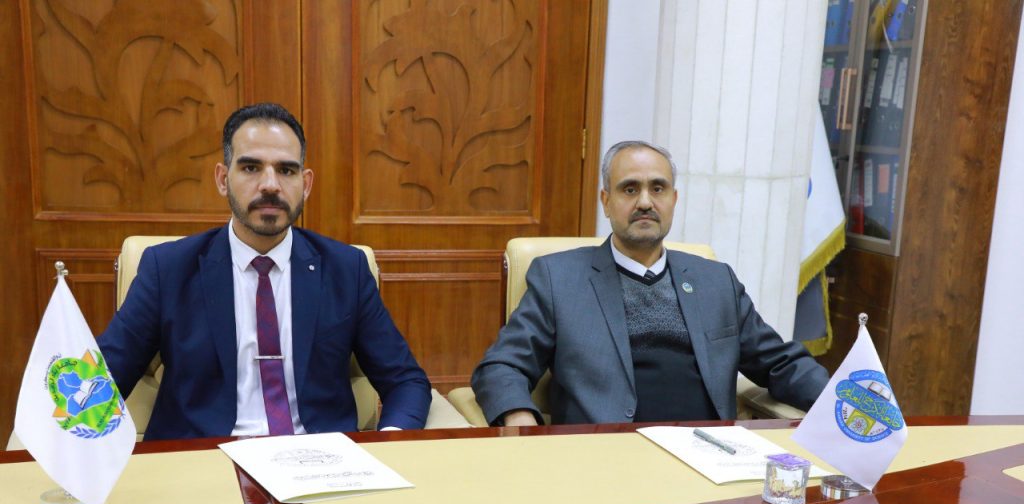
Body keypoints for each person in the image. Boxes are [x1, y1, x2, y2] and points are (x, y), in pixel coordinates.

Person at [99, 102, 431, 439]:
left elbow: (405, 381)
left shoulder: (346, 270)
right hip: (204, 456)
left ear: (306, 184)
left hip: (319, 458)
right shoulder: (168, 269)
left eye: (286, 170)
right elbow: (100, 383)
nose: (270, 185)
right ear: (223, 179)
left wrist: (389, 440)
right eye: (251, 168)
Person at [472, 140, 828, 426]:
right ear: (606, 201)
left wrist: (845, 403)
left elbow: (780, 363)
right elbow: (503, 366)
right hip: (604, 458)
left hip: (708, 456)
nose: (645, 202)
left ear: (673, 200)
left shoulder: (715, 280)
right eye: (629, 189)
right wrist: (519, 419)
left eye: (658, 188)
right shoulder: (559, 278)